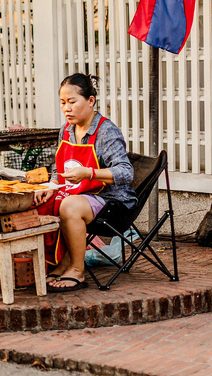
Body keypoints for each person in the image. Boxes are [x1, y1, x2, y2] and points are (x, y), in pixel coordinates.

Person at [34, 73, 136, 292]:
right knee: (43, 201)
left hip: (112, 202)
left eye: (72, 102)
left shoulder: (106, 131)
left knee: (69, 205)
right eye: (63, 103)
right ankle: (61, 262)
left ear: (90, 101)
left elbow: (126, 172)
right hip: (79, 194)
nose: (66, 108)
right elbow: (58, 168)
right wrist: (52, 186)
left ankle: (77, 270)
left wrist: (89, 173)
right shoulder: (66, 130)